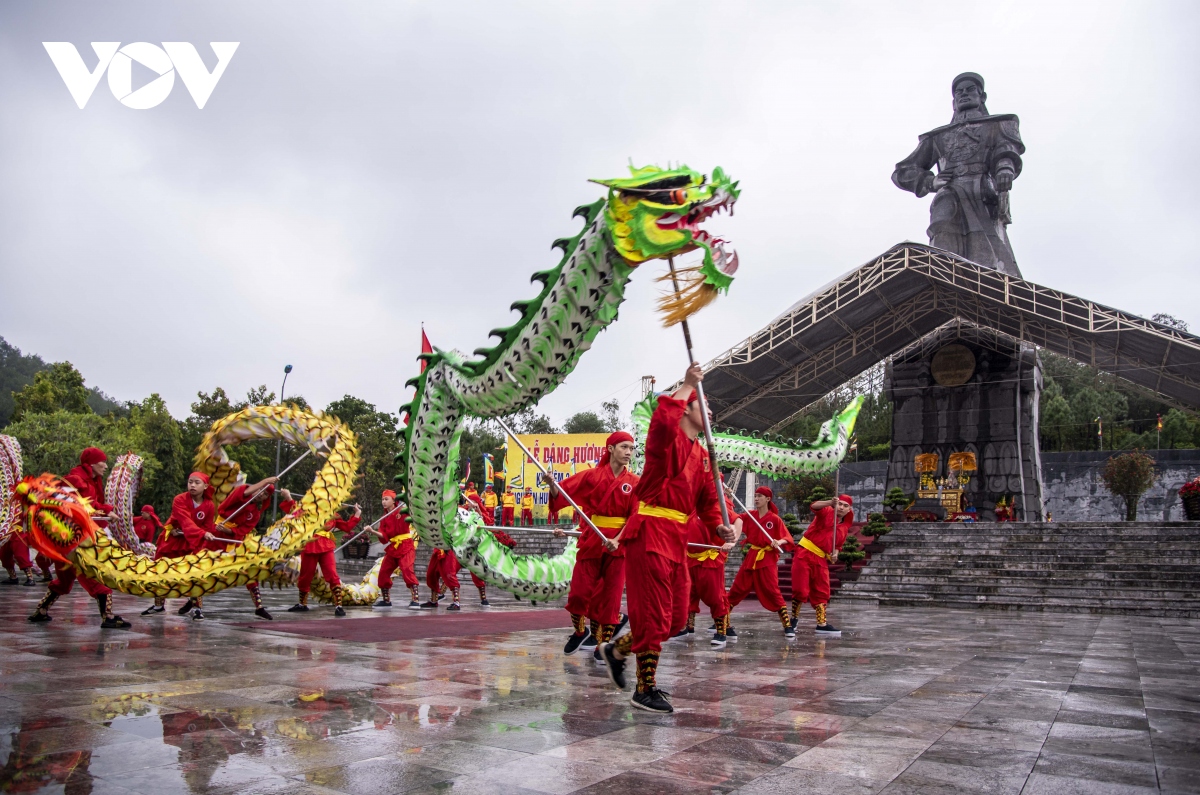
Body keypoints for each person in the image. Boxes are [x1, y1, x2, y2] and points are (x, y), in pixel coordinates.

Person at [600, 364, 739, 713]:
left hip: (677, 540)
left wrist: (722, 527)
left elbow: (709, 502)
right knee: (652, 616)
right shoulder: (668, 441)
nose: (709, 411)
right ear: (687, 410)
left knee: (676, 619)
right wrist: (688, 384)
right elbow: (661, 420)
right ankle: (644, 688)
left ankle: (616, 651)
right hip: (650, 533)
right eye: (702, 405)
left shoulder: (705, 457)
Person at [546, 431, 637, 659]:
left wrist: (619, 539)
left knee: (611, 598)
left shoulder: (636, 483)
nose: (628, 452)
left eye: (631, 448)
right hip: (593, 540)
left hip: (619, 545)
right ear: (611, 449)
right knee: (578, 593)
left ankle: (602, 644)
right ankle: (579, 631)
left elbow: (636, 516)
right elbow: (563, 494)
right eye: (624, 447)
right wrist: (551, 485)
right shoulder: (592, 476)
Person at [28, 447, 130, 628]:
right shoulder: (74, 480)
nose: (106, 466)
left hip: (73, 539)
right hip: (74, 539)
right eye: (103, 461)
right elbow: (69, 506)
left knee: (65, 579)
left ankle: (41, 610)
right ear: (91, 462)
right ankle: (108, 616)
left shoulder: (92, 481)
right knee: (94, 575)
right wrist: (100, 511)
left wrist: (106, 510)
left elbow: (92, 504)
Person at [144, 472, 219, 619]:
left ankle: (197, 607)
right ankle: (159, 605)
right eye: (190, 482)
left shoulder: (209, 505)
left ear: (205, 486)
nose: (192, 485)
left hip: (193, 542)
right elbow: (185, 521)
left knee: (195, 573)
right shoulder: (179, 499)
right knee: (161, 571)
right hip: (173, 540)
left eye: (197, 482)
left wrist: (210, 532)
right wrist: (202, 533)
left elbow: (208, 526)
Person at [726, 486, 794, 637]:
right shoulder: (750, 515)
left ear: (768, 499)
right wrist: (729, 498)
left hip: (767, 558)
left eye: (759, 496)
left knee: (772, 590)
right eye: (755, 496)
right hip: (752, 556)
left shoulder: (774, 519)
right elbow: (733, 518)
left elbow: (787, 538)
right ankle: (723, 620)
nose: (756, 499)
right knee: (737, 588)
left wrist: (779, 542)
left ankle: (787, 625)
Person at [215, 476, 278, 620]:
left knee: (250, 571)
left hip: (233, 539)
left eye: (266, 493)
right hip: (215, 535)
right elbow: (243, 494)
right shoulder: (241, 493)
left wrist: (228, 532)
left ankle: (259, 606)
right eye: (261, 490)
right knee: (203, 568)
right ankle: (195, 604)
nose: (262, 494)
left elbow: (242, 531)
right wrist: (265, 481)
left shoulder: (255, 514)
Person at [790, 495, 853, 636]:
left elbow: (838, 545)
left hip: (821, 558)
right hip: (804, 553)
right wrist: (830, 503)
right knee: (800, 589)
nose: (841, 507)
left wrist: (835, 554)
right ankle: (794, 618)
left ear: (849, 510)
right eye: (840, 504)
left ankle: (821, 624)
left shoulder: (844, 528)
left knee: (822, 590)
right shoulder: (827, 511)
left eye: (845, 506)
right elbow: (814, 506)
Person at [287, 504, 359, 616]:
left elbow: (346, 527)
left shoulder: (333, 514)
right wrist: (288, 499)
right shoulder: (307, 509)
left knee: (332, 574)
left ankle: (339, 606)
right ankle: (302, 604)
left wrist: (357, 514)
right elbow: (294, 513)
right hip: (310, 545)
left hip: (326, 546)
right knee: (305, 575)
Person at [686, 494, 739, 648]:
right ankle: (688, 627)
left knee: (715, 596)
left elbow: (737, 520)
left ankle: (721, 631)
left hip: (710, 557)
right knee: (689, 593)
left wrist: (732, 540)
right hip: (690, 556)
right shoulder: (690, 502)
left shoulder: (716, 503)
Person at [374, 490, 421, 609]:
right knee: (384, 571)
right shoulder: (384, 518)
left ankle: (415, 599)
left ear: (393, 500)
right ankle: (386, 600)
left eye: (386, 499)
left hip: (406, 545)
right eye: (383, 499)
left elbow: (414, 512)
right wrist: (372, 531)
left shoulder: (403, 510)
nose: (383, 502)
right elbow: (384, 537)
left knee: (406, 569)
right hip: (393, 547)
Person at [421, 545, 462, 610]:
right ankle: (434, 601)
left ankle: (456, 602)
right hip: (438, 549)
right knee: (431, 574)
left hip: (449, 549)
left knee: (449, 574)